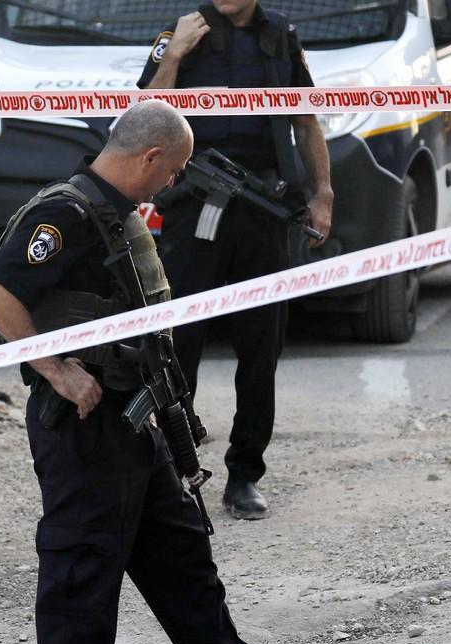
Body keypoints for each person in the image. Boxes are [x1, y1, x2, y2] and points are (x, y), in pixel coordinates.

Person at [0, 100, 345, 644]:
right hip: (85, 430)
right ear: (149, 159)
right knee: (81, 580)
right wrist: (56, 370)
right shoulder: (66, 213)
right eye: (170, 171)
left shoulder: (112, 212)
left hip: (133, 423)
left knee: (184, 568)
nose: (170, 184)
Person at [138, 0, 333, 520]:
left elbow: (305, 119)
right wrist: (174, 55)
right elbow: (146, 117)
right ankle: (177, 471)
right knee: (178, 345)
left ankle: (245, 474)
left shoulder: (281, 35)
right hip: (193, 209)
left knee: (261, 345)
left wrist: (323, 194)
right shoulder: (182, 32)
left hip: (262, 209)